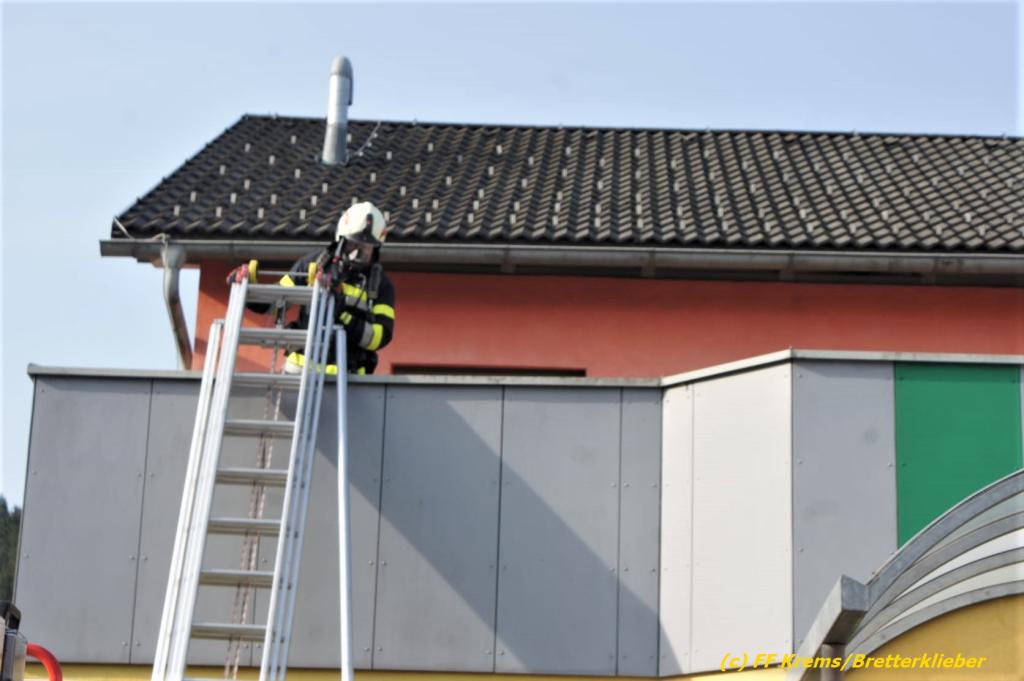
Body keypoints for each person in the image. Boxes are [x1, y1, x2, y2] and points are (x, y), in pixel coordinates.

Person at [229, 202, 396, 375]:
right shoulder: (314, 264)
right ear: (341, 239)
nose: (356, 254)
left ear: (376, 249)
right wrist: (249, 289)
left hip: (348, 379)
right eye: (353, 244)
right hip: (298, 375)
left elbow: (379, 337)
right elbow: (276, 302)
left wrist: (343, 315)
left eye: (365, 249)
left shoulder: (380, 285)